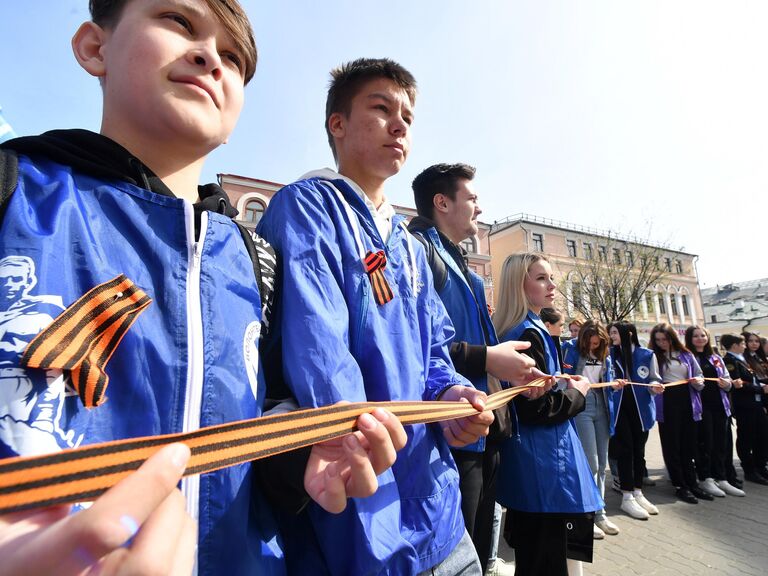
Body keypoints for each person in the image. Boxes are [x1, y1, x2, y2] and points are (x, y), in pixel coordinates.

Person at [0, 3, 407, 574]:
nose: (211, 57)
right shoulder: (15, 193)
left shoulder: (255, 260)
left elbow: (258, 413)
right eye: (179, 21)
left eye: (235, 57)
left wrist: (300, 456)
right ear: (95, 47)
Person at [258, 58, 494, 576]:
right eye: (381, 108)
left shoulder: (409, 247)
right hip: (360, 515)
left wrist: (452, 395)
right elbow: (318, 353)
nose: (399, 124)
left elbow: (435, 350)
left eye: (407, 116)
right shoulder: (308, 206)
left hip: (439, 508)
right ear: (336, 124)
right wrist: (355, 439)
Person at [409, 162, 538, 576]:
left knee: (481, 551)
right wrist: (489, 358)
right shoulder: (417, 251)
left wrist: (509, 371)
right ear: (442, 202)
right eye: (472, 199)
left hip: (486, 431)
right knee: (451, 553)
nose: (479, 209)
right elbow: (419, 344)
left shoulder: (460, 262)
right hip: (450, 437)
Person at [493, 253, 599, 576]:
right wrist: (577, 396)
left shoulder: (529, 328)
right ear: (519, 284)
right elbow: (534, 409)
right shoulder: (527, 335)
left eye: (551, 277)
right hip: (543, 467)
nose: (552, 285)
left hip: (538, 466)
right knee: (544, 562)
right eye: (541, 278)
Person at [563, 320, 620, 538]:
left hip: (603, 405)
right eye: (590, 343)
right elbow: (563, 378)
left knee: (602, 462)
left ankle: (600, 513)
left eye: (597, 344)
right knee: (591, 462)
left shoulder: (605, 353)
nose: (593, 347)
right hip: (582, 404)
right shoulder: (569, 348)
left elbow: (607, 377)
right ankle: (586, 513)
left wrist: (615, 383)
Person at [607, 321, 663, 520]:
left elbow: (654, 379)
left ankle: (638, 492)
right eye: (610, 332)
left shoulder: (646, 354)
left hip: (641, 410)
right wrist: (612, 386)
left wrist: (655, 386)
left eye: (614, 332)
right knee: (626, 450)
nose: (611, 336)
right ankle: (627, 495)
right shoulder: (609, 354)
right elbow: (605, 379)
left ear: (628, 333)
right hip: (619, 409)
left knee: (639, 450)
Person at [649, 323, 709, 504]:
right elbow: (650, 379)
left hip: (688, 400)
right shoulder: (654, 357)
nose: (661, 343)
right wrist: (654, 387)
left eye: (664, 339)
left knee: (688, 444)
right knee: (672, 445)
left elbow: (700, 378)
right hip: (667, 402)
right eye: (658, 340)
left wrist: (697, 381)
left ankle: (693, 483)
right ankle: (680, 485)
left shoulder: (686, 355)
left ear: (672, 338)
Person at [685, 326, 744, 496]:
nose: (700, 338)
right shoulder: (687, 357)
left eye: (703, 335)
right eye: (695, 336)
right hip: (701, 407)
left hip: (720, 405)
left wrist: (727, 384)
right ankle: (706, 478)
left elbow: (726, 378)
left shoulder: (715, 357)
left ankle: (722, 478)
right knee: (705, 444)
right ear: (690, 338)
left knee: (721, 443)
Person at [721, 333, 768, 485]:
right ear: (735, 345)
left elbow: (752, 378)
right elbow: (739, 384)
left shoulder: (743, 359)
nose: (745, 346)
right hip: (745, 406)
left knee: (761, 435)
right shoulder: (729, 360)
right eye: (743, 343)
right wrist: (761, 389)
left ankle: (760, 467)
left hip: (756, 404)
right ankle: (749, 470)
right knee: (746, 438)